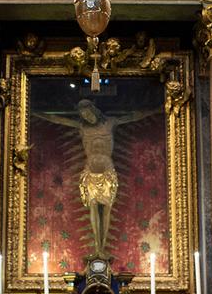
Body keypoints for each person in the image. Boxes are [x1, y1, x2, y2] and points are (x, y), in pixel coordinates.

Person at [33, 100, 159, 255]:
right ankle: (97, 249)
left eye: (88, 113)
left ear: (95, 110)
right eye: (83, 116)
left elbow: (133, 116)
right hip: (90, 171)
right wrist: (34, 113)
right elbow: (59, 120)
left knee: (107, 211)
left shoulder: (110, 123)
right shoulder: (82, 127)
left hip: (107, 171)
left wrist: (155, 110)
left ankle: (103, 247)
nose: (87, 117)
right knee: (92, 208)